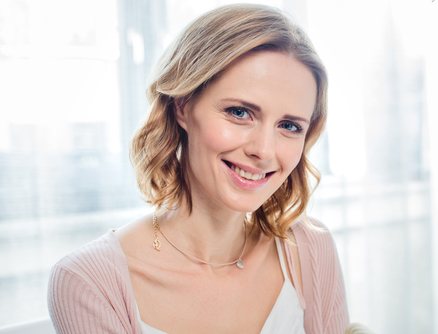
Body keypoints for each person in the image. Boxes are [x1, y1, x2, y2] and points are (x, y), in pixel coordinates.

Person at [47, 4, 349, 334]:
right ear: (183, 106)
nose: (263, 151)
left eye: (289, 126)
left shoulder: (311, 248)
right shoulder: (89, 282)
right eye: (239, 112)